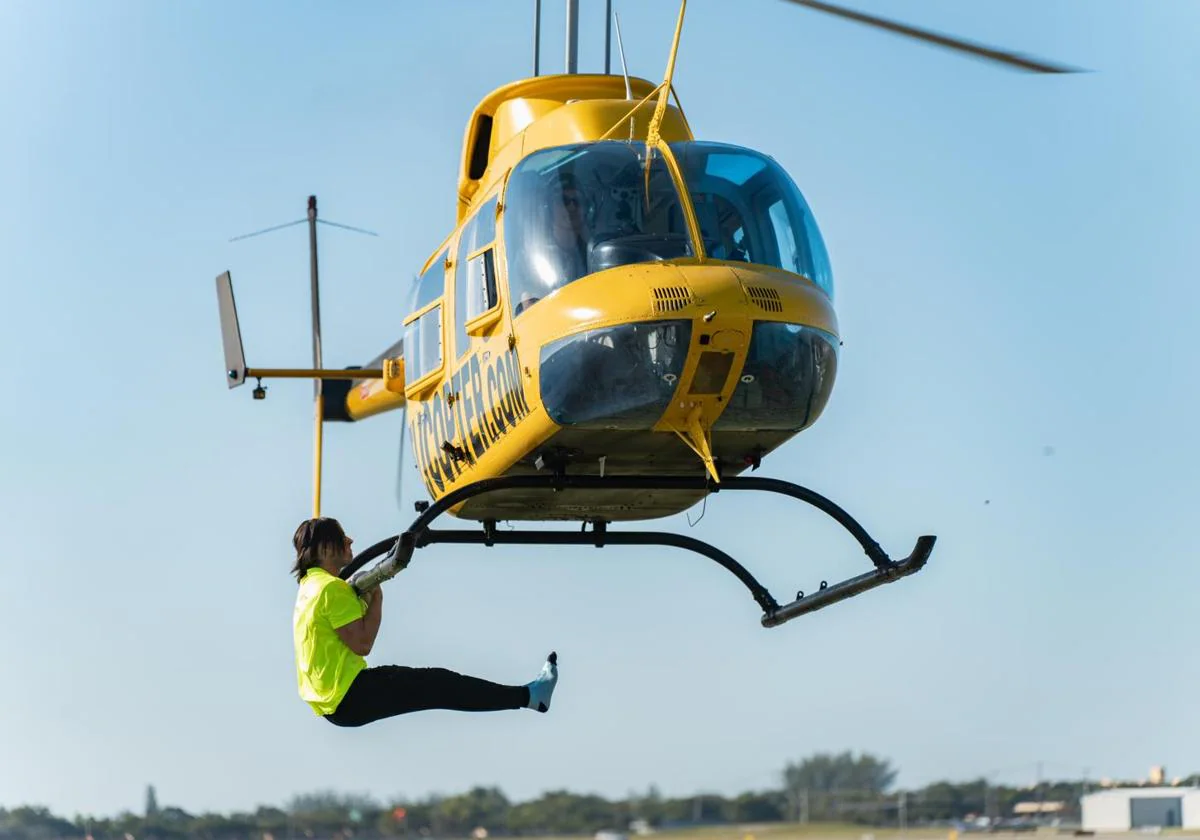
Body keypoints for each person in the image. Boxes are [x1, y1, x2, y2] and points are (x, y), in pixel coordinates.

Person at [291, 516, 559, 727]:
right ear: (325, 547)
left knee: (437, 685)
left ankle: (528, 696)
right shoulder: (331, 589)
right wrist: (378, 598)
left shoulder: (308, 587)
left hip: (332, 704)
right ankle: (530, 697)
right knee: (442, 685)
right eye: (342, 536)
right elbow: (362, 644)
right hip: (350, 696)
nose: (350, 540)